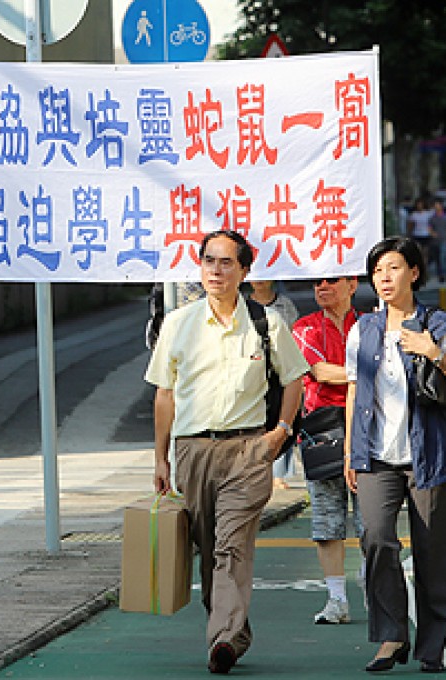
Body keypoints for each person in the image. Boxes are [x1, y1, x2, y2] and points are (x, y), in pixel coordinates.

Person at [147, 230, 308, 674]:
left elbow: (294, 378)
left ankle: (221, 639)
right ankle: (233, 632)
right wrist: (160, 458)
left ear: (244, 271)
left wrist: (280, 431)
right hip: (193, 451)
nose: (216, 271)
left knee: (230, 546)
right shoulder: (179, 323)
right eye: (209, 262)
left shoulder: (265, 322)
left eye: (226, 263)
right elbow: (165, 395)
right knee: (207, 547)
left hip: (248, 450)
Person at [345, 236, 446, 674]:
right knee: (377, 540)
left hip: (432, 456)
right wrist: (350, 450)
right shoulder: (362, 329)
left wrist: (433, 351)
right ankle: (391, 636)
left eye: (394, 268)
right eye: (378, 270)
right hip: (376, 458)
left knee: (432, 552)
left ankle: (432, 647)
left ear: (414, 273)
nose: (385, 277)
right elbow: (353, 389)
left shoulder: (439, 324)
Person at [291, 276, 363, 625]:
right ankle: (336, 600)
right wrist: (368, 371)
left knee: (372, 523)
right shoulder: (304, 328)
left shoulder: (369, 324)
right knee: (326, 521)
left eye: (331, 281)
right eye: (316, 282)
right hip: (322, 434)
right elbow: (318, 371)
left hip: (366, 431)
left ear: (352, 284)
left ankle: (374, 589)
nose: (322, 287)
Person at [247, 280, 300, 489]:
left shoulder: (285, 305)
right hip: (257, 374)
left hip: (282, 370)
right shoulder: (242, 306)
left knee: (283, 419)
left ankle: (280, 473)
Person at [427, 201, 446, 281]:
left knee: (442, 257)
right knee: (437, 258)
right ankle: (440, 273)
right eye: (435, 206)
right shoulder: (432, 218)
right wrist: (432, 234)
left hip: (444, 240)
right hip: (435, 241)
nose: (436, 208)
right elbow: (429, 228)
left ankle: (443, 274)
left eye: (438, 206)